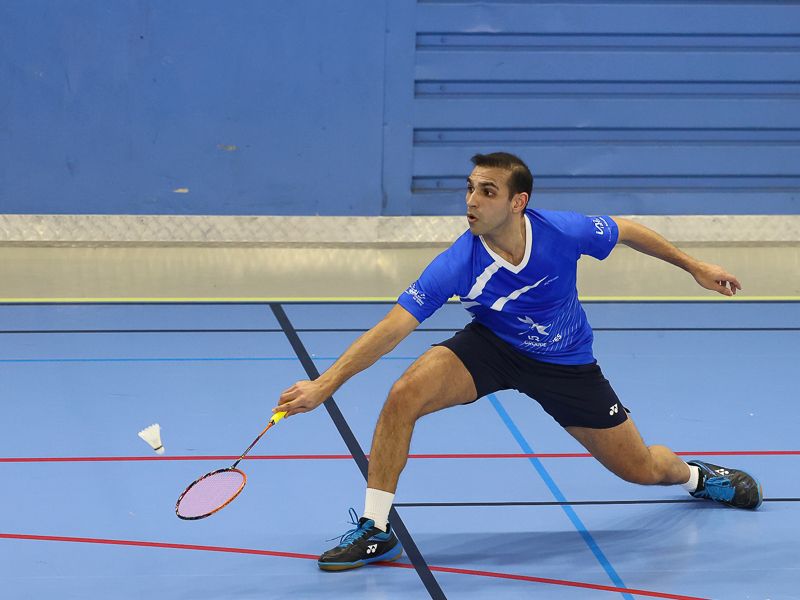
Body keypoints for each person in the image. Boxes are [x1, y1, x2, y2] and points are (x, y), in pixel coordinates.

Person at [274, 152, 763, 572]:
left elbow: (627, 231)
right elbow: (393, 326)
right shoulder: (458, 262)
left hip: (565, 363)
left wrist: (694, 266)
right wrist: (325, 384)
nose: (471, 200)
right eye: (470, 189)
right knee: (404, 395)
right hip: (492, 346)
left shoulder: (561, 231)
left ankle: (698, 478)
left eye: (487, 191)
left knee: (641, 469)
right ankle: (376, 528)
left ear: (517, 202)